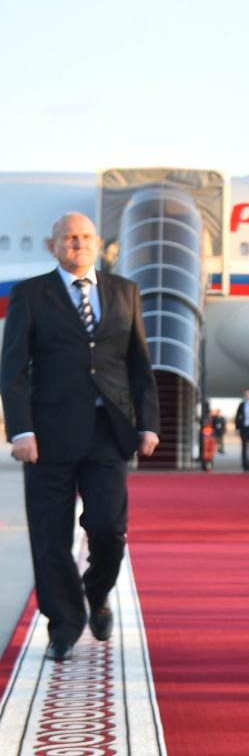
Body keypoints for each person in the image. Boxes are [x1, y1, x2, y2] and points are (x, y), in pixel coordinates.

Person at [1, 212, 160, 663]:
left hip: (109, 434)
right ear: (53, 246)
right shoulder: (30, 295)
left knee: (109, 528)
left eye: (86, 237)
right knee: (50, 538)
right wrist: (21, 430)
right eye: (69, 238)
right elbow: (13, 369)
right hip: (47, 439)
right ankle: (64, 625)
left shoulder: (124, 291)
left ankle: (97, 592)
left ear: (98, 244)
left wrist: (148, 423)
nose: (78, 244)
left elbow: (138, 364)